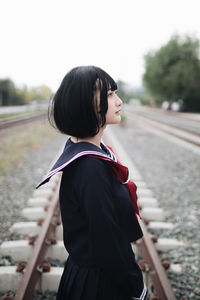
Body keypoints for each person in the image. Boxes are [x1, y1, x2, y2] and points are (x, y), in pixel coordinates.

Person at [37, 66, 147, 300]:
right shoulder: (90, 168)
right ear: (85, 103)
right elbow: (107, 240)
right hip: (99, 286)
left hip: (91, 275)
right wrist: (136, 288)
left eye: (116, 93)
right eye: (109, 95)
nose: (119, 102)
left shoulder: (86, 153)